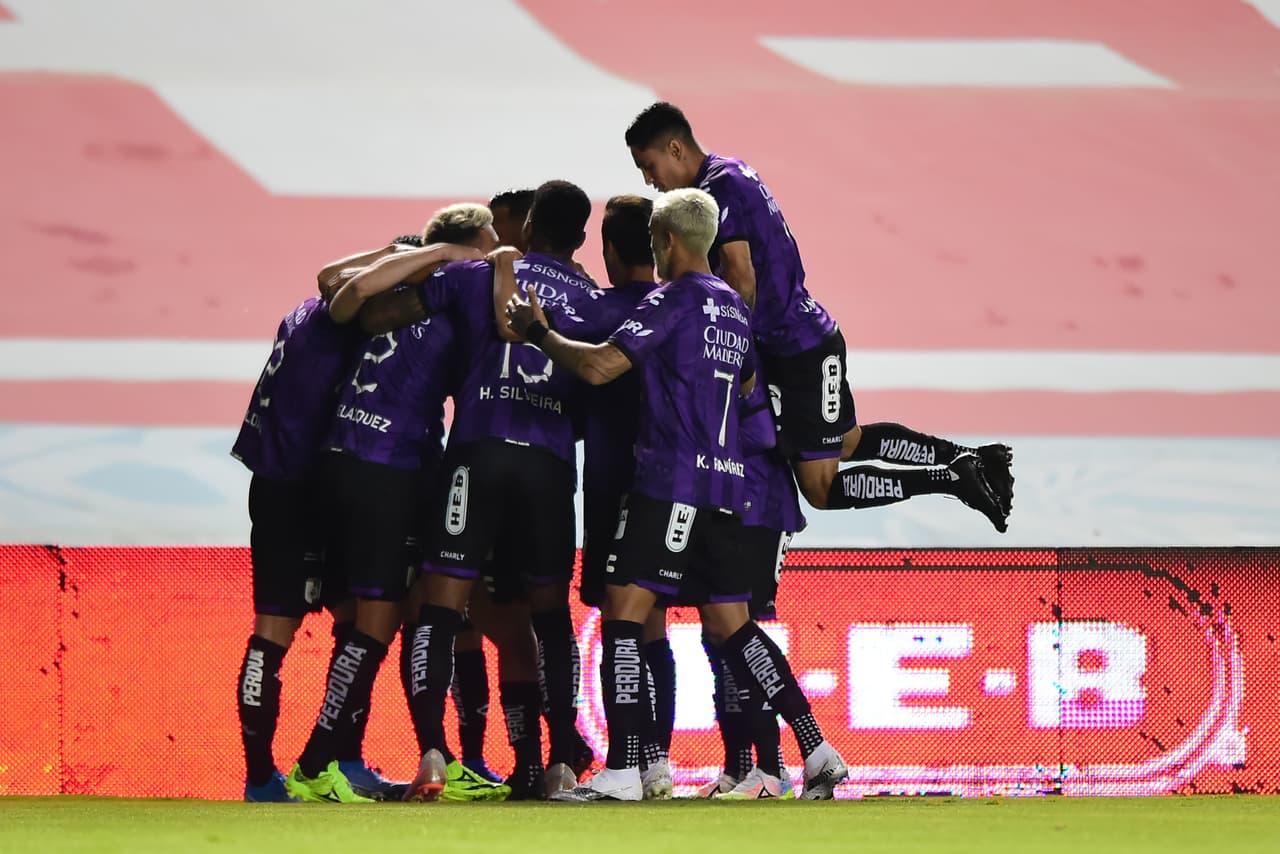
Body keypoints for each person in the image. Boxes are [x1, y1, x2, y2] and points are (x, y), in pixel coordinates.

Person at [506, 187, 849, 801]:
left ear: (666, 242)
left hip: (669, 484)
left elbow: (601, 367)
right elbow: (750, 399)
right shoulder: (735, 310)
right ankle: (817, 748)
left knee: (624, 612)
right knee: (733, 626)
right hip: (727, 488)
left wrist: (539, 333)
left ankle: (628, 770)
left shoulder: (674, 300)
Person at [623, 102, 1012, 529]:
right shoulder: (733, 171)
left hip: (793, 350)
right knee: (847, 442)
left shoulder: (719, 188)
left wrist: (730, 350)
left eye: (648, 165)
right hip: (806, 334)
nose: (649, 180)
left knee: (821, 489)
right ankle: (969, 459)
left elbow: (742, 277)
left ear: (675, 149)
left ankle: (954, 478)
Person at [395, 181, 624, 800]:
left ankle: (433, 756)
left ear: (524, 227)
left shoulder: (479, 276)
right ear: (580, 239)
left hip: (476, 452)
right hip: (548, 466)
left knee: (439, 608)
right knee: (549, 620)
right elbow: (600, 391)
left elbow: (395, 310)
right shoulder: (599, 304)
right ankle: (557, 763)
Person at [283, 207, 496, 804]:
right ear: (464, 248)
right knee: (379, 626)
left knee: (372, 621)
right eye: (486, 246)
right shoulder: (447, 301)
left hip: (340, 462)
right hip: (388, 467)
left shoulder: (390, 298)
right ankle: (314, 763)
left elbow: (335, 287)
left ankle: (392, 758)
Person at [230, 287, 367, 802]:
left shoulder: (306, 310)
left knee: (347, 617)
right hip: (301, 483)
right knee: (284, 631)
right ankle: (271, 775)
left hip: (276, 478)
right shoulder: (347, 315)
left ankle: (329, 764)